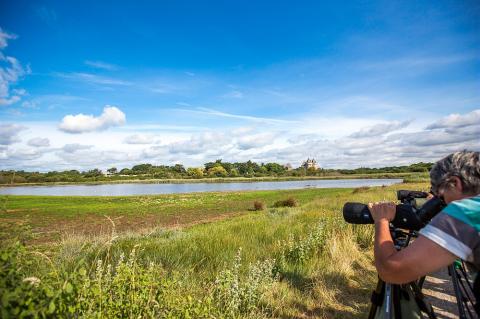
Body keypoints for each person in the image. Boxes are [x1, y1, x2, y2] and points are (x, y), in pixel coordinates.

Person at [368, 150, 479, 286]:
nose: (443, 203)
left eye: (441, 196)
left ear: (455, 183)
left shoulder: (469, 212)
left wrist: (381, 220)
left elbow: (391, 270)